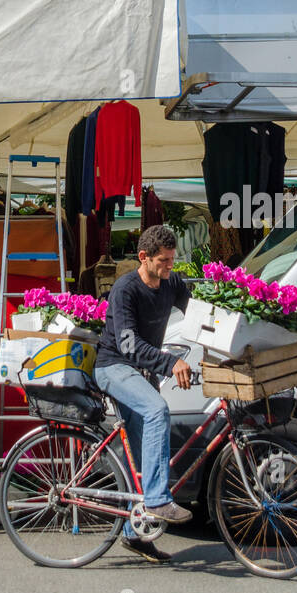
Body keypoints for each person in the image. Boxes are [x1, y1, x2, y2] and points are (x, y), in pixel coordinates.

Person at [94, 223, 193, 564]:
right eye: (164, 261)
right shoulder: (125, 289)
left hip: (141, 373)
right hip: (114, 368)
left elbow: (198, 309)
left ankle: (136, 534)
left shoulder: (171, 283)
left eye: (172, 260)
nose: (170, 267)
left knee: (143, 458)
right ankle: (156, 501)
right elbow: (128, 345)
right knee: (157, 411)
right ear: (144, 258)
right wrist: (169, 363)